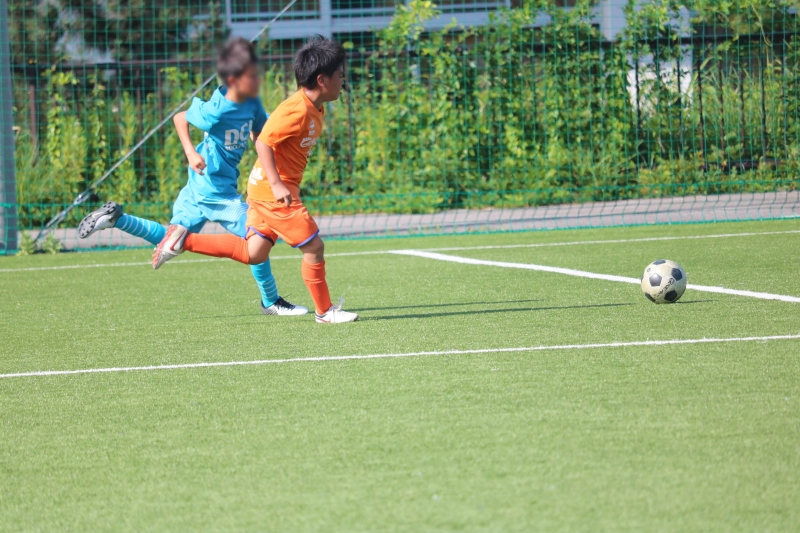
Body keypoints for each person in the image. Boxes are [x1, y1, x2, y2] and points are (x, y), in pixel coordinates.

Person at [78, 38, 306, 316]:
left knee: (173, 236)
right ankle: (270, 301)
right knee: (258, 235)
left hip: (203, 185)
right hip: (214, 188)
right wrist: (190, 152)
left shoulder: (252, 102)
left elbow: (261, 134)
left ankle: (116, 219)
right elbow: (180, 118)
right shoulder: (217, 109)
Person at [151, 36, 358, 324]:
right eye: (339, 75)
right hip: (273, 190)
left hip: (263, 187)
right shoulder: (296, 110)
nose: (343, 80)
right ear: (322, 80)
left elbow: (261, 132)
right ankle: (325, 312)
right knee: (314, 247)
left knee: (254, 252)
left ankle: (184, 240)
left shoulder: (314, 106)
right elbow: (263, 142)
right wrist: (277, 183)